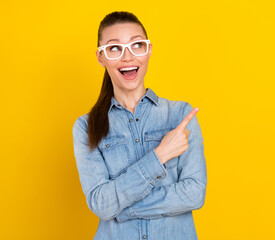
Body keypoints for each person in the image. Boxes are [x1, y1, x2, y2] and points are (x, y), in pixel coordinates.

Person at [72, 11, 207, 240]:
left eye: (136, 45)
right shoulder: (86, 127)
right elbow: (101, 204)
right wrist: (160, 155)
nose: (127, 57)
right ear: (100, 57)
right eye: (114, 48)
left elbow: (194, 193)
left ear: (148, 50)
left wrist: (125, 209)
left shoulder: (180, 115)